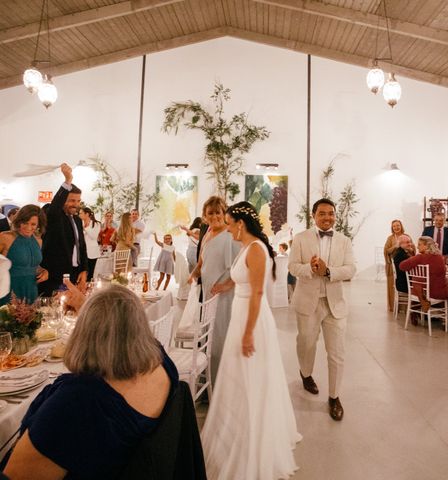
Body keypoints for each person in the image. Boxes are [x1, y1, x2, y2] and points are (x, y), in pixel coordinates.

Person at [2, 284, 180, 479]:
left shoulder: (78, 402)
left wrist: (90, 313)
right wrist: (88, 306)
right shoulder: (162, 363)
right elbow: (119, 325)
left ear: (82, 332)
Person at [200, 202, 301, 479]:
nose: (227, 227)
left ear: (240, 224)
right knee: (238, 374)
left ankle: (253, 431)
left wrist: (247, 333)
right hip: (240, 314)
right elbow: (241, 277)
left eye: (230, 223)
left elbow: (257, 293)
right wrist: (225, 285)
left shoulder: (256, 249)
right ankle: (237, 425)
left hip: (252, 320)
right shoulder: (246, 247)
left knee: (251, 374)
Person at [289, 198, 356, 421]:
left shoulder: (344, 241)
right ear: (313, 215)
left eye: (331, 213)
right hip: (308, 302)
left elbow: (350, 269)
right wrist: (310, 268)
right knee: (306, 344)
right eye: (322, 214)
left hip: (335, 304)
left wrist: (328, 272)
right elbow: (292, 267)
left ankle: (334, 397)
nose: (327, 217)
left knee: (337, 353)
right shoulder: (300, 238)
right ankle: (306, 374)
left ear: (335, 215)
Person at [188, 196, 240, 387]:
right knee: (209, 338)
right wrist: (193, 274)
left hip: (224, 297)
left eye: (218, 212)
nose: (215, 216)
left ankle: (222, 385)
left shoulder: (231, 235)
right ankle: (209, 379)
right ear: (204, 216)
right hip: (207, 295)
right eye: (211, 213)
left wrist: (226, 285)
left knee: (220, 339)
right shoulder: (208, 233)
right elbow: (202, 262)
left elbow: (242, 266)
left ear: (224, 213)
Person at [38, 163, 88, 297]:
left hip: (74, 274)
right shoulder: (53, 215)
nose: (76, 205)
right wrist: (67, 181)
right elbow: (55, 207)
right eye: (72, 200)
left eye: (78, 201)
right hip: (54, 275)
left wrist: (84, 270)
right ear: (62, 200)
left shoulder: (77, 220)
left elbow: (81, 247)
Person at [0, 205, 48, 305]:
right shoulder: (5, 237)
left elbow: (32, 265)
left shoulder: (38, 241)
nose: (28, 227)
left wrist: (43, 271)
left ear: (39, 224)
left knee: (30, 319)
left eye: (33, 224)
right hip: (9, 291)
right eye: (25, 223)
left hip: (31, 290)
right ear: (19, 221)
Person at [399, 236, 448, 312]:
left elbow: (402, 266)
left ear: (426, 246)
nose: (417, 247)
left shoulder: (419, 257)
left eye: (419, 245)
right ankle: (447, 318)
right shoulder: (440, 257)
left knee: (416, 282)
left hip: (425, 293)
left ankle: (416, 310)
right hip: (440, 293)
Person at [384, 219, 405, 312]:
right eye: (394, 226)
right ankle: (393, 306)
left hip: (404, 266)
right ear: (392, 228)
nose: (396, 227)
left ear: (401, 226)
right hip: (393, 266)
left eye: (398, 225)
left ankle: (404, 308)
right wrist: (395, 246)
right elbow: (386, 250)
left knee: (403, 286)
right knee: (392, 286)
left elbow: (412, 249)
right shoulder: (390, 238)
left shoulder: (406, 236)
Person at [78, 207, 101, 282]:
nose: (79, 215)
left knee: (90, 272)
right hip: (81, 251)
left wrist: (86, 228)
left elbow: (94, 236)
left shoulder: (96, 224)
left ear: (87, 214)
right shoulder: (79, 223)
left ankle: (89, 288)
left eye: (81, 213)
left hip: (92, 252)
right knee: (82, 272)